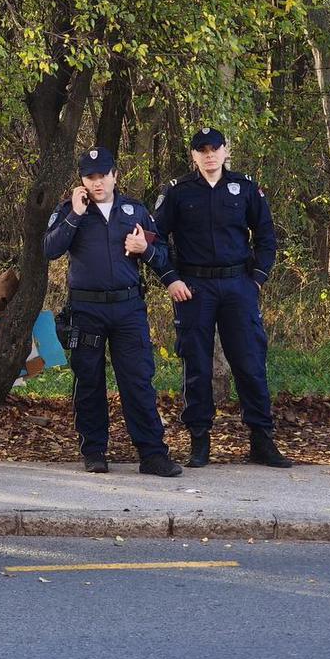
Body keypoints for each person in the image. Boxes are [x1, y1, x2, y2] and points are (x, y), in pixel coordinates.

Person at [152, 127, 291, 469]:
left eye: (215, 148)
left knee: (249, 362)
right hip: (193, 288)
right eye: (202, 149)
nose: (210, 155)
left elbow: (267, 237)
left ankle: (261, 439)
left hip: (237, 286)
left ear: (226, 151)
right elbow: (154, 238)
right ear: (194, 155)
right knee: (196, 365)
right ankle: (199, 440)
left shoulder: (244, 188)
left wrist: (257, 279)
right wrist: (170, 278)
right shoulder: (177, 192)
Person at [44, 146, 183, 477]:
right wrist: (75, 215)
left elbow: (163, 255)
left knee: (137, 381)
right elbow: (50, 249)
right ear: (82, 181)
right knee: (89, 381)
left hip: (127, 308)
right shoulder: (69, 210)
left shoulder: (134, 210)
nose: (97, 182)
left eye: (103, 175)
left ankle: (152, 454)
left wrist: (145, 249)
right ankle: (94, 452)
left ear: (114, 175)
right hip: (86, 309)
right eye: (90, 177)